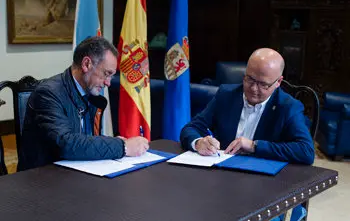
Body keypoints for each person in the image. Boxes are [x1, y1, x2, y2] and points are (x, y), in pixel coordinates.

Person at [18, 36, 149, 171]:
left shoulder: (89, 94)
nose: (108, 83)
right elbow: (66, 144)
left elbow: (85, 139)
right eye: (106, 74)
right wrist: (123, 146)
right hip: (42, 180)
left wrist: (113, 143)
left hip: (74, 173)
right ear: (86, 64)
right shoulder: (48, 94)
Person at [180, 48, 314, 164]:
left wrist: (254, 146)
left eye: (263, 84)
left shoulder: (288, 107)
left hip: (263, 180)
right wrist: (198, 143)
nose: (254, 89)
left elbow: (306, 151)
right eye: (250, 79)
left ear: (278, 82)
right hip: (221, 173)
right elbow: (191, 128)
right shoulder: (226, 95)